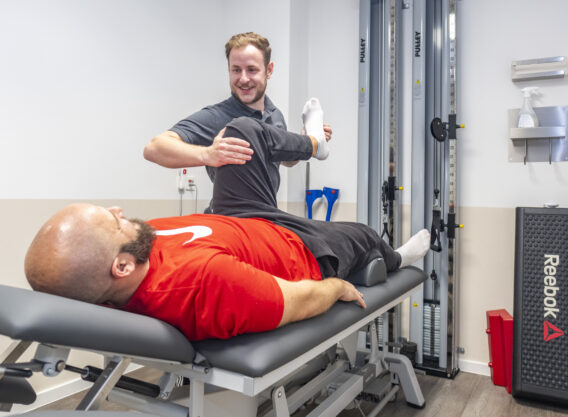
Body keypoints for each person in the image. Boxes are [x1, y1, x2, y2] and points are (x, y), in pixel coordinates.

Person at [25, 111, 429, 341]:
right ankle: (396, 256)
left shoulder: (134, 251)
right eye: (112, 221)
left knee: (240, 132)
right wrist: (337, 286)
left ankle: (313, 145)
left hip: (239, 215)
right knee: (360, 234)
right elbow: (299, 300)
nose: (117, 210)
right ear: (122, 267)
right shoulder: (200, 283)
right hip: (300, 248)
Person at [143, 32, 332, 212]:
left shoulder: (275, 115)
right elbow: (154, 148)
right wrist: (207, 154)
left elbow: (286, 161)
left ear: (269, 70)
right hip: (229, 220)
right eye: (236, 70)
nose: (243, 79)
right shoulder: (218, 116)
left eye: (251, 70)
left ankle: (313, 143)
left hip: (265, 215)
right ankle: (315, 143)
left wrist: (300, 141)